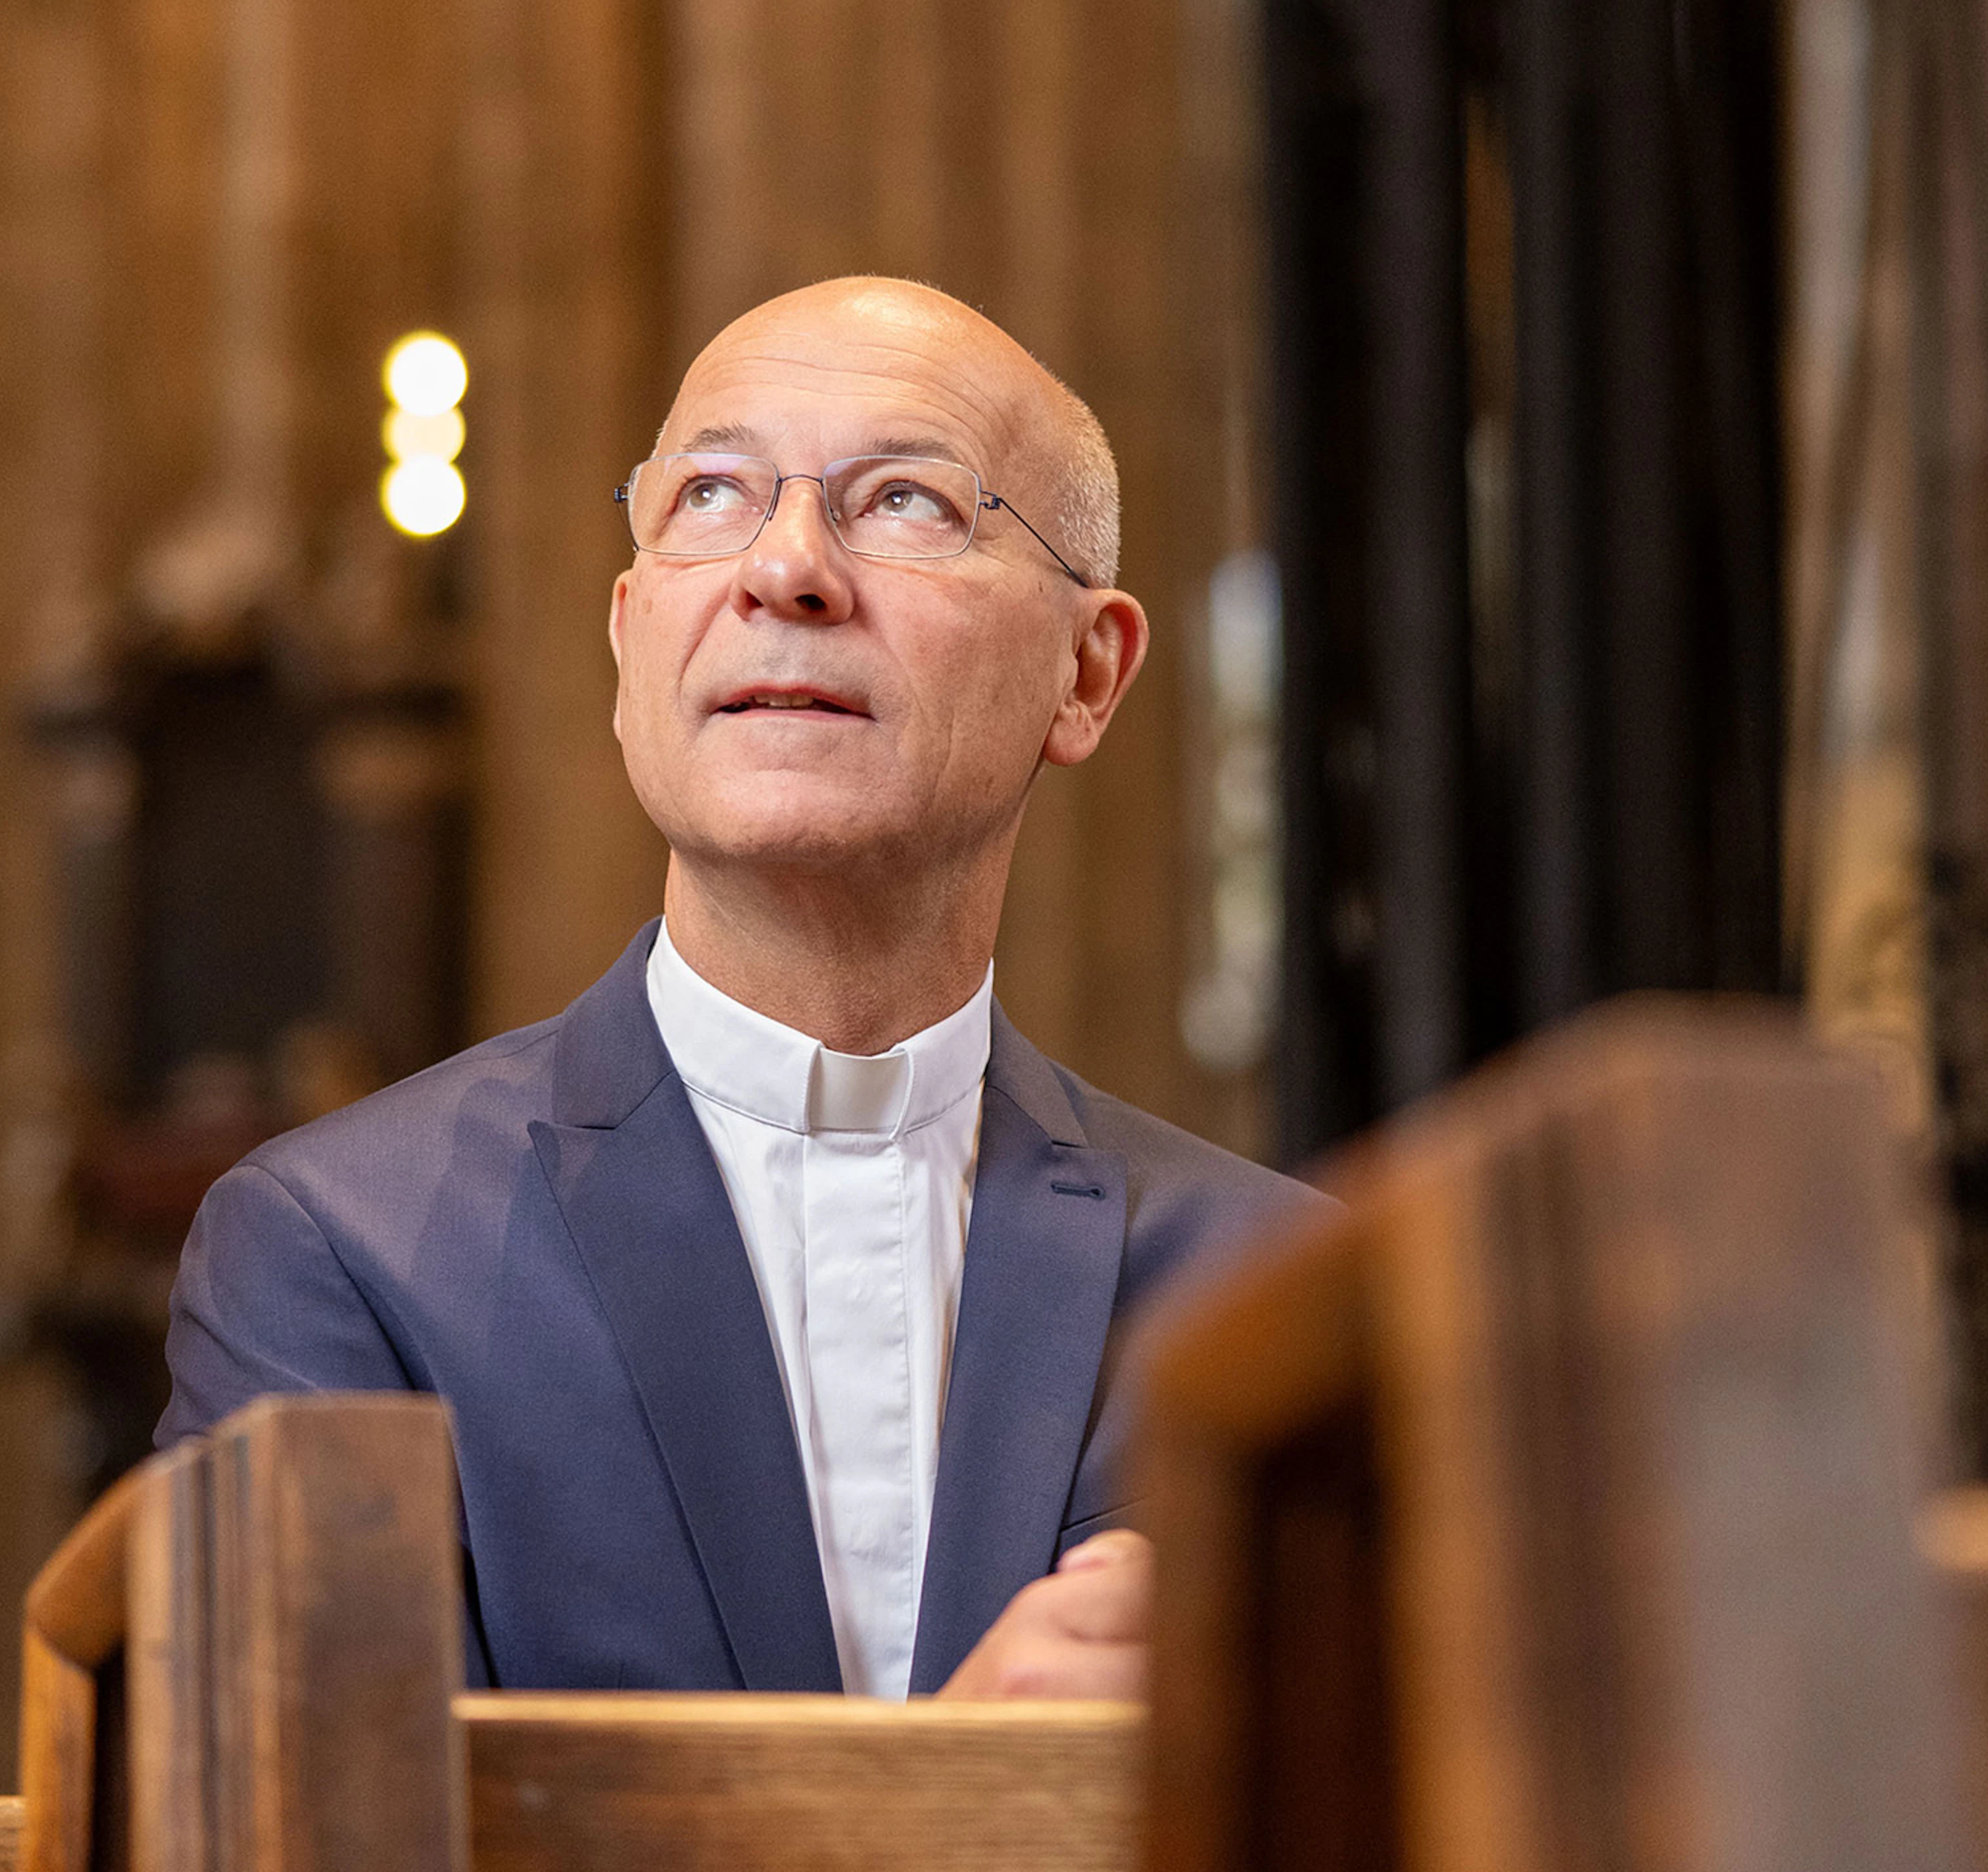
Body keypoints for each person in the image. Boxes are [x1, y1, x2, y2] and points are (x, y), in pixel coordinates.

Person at [156, 277, 1323, 1701]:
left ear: (1088, 672)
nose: (787, 572)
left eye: (909, 502)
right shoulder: (345, 1252)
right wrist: (961, 1815)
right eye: (711, 495)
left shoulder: (1276, 1297)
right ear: (631, 636)